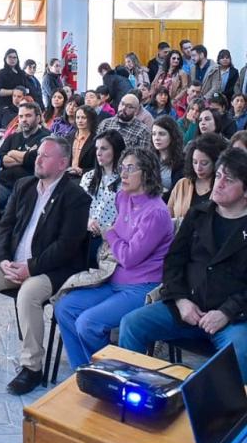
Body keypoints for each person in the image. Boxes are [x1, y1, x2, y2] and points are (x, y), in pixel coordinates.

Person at [0, 136, 91, 395]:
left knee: (27, 294)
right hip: (12, 264)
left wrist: (30, 267)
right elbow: (4, 225)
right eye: (38, 154)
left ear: (62, 163)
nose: (38, 159)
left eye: (45, 156)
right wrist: (2, 257)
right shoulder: (24, 185)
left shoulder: (75, 196)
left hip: (51, 270)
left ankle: (32, 367)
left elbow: (67, 246)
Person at [120, 148, 247, 383]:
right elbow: (173, 262)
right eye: (218, 175)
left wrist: (227, 312)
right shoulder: (198, 215)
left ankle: (215, 416)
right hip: (188, 306)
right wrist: (181, 300)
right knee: (131, 324)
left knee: (239, 350)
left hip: (232, 318)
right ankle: (132, 393)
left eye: (228, 180)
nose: (218, 184)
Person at [55, 148, 173, 370]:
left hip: (141, 287)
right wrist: (114, 236)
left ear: (147, 173)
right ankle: (83, 371)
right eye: (122, 168)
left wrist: (108, 233)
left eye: (130, 168)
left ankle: (106, 375)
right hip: (113, 278)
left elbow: (129, 257)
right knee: (65, 307)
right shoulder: (123, 198)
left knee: (88, 323)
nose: (124, 174)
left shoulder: (156, 212)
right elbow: (122, 244)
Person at [80, 130, 125, 267]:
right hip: (85, 232)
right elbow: (79, 207)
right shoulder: (88, 177)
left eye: (104, 148)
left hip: (111, 237)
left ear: (116, 150)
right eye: (97, 148)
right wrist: (87, 221)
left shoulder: (125, 181)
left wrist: (106, 229)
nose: (98, 153)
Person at [167, 133, 228, 220]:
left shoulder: (222, 187)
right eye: (195, 162)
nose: (198, 168)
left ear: (216, 162)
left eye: (204, 163)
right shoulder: (182, 184)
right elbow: (168, 217)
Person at [0, 102, 50, 201]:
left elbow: (36, 159)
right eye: (21, 116)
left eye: (28, 116)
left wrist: (12, 153)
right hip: (4, 184)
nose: (24, 120)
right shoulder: (13, 137)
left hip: (29, 188)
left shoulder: (46, 137)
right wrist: (25, 158)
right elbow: (0, 157)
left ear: (38, 118)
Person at [151, 116, 185, 200]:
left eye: (162, 134)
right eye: (154, 134)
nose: (156, 138)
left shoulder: (182, 163)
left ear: (172, 136)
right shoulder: (148, 158)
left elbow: (176, 194)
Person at [67, 105, 97, 177]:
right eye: (77, 117)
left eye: (84, 118)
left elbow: (97, 167)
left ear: (91, 119)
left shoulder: (96, 140)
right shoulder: (68, 137)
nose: (80, 121)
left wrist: (82, 171)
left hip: (85, 177)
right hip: (67, 175)